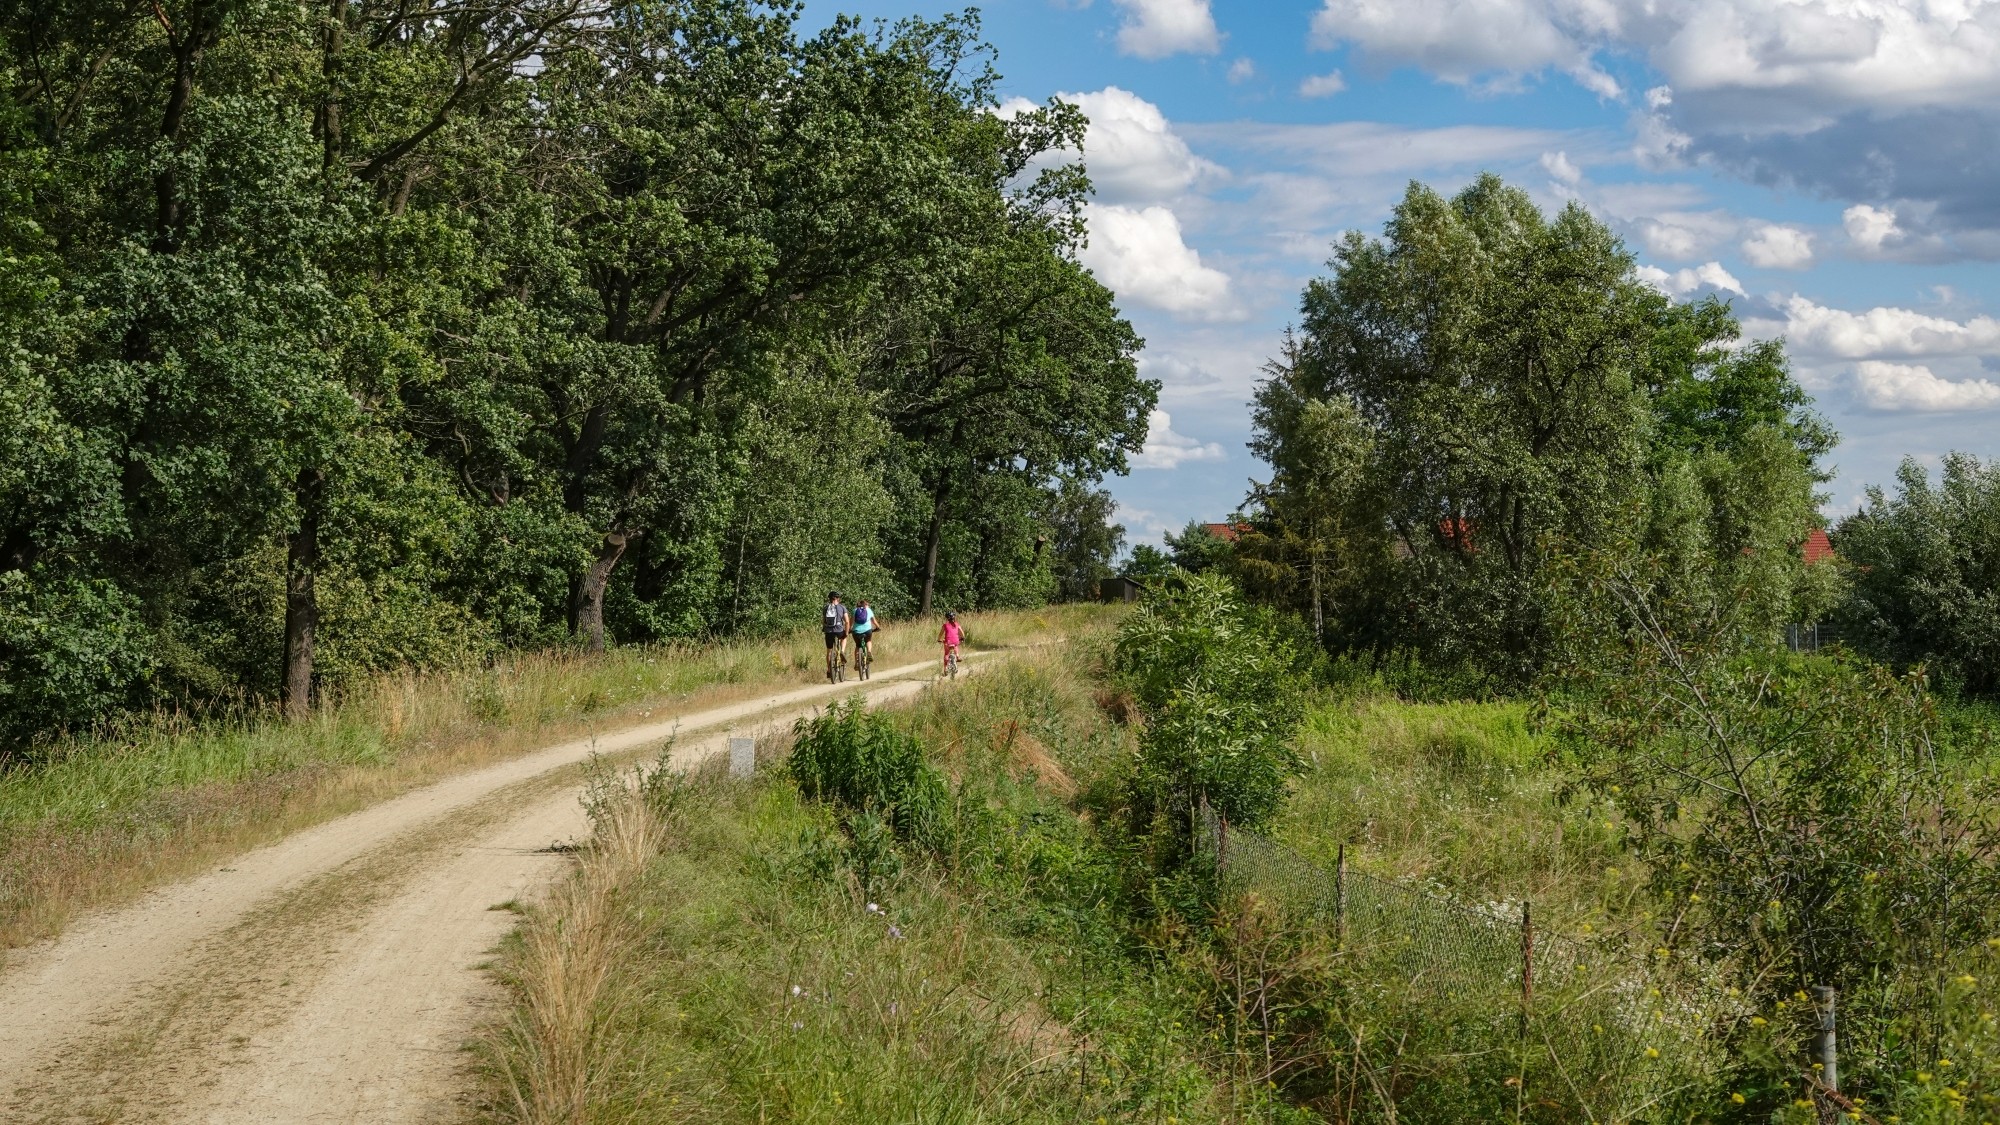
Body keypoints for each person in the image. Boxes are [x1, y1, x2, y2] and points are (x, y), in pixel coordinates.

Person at [822, 591, 850, 679]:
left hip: (828, 631)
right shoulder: (842, 607)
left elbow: (823, 621)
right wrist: (846, 632)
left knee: (829, 651)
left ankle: (829, 670)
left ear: (829, 599)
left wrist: (825, 628)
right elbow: (847, 621)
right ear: (838, 599)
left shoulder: (826, 608)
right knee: (844, 638)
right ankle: (842, 651)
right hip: (839, 630)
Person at [851, 598, 878, 667]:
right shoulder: (869, 610)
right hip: (867, 631)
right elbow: (874, 621)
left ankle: (857, 662)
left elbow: (851, 622)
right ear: (866, 605)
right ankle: (869, 651)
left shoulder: (854, 610)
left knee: (858, 645)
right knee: (868, 641)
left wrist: (849, 630)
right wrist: (878, 627)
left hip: (856, 632)